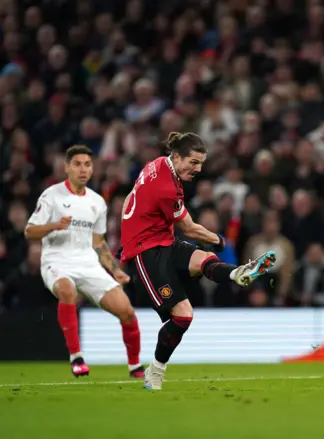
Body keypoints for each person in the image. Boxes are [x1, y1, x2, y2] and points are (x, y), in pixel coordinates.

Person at [120, 132, 276, 390]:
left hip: (163, 240)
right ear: (177, 156)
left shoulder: (157, 164)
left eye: (201, 163)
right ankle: (155, 371)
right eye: (193, 162)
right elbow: (190, 228)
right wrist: (218, 238)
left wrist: (129, 219)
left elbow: (131, 197)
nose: (198, 169)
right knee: (183, 316)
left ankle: (238, 274)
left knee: (203, 259)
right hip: (145, 251)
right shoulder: (166, 187)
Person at [24, 145, 143, 378]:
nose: (83, 169)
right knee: (67, 291)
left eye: (87, 165)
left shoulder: (97, 202)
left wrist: (115, 270)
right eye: (77, 164)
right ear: (66, 167)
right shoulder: (51, 196)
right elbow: (30, 231)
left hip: (88, 264)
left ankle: (135, 366)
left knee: (126, 311)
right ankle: (76, 357)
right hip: (57, 261)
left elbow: (98, 242)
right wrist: (53, 226)